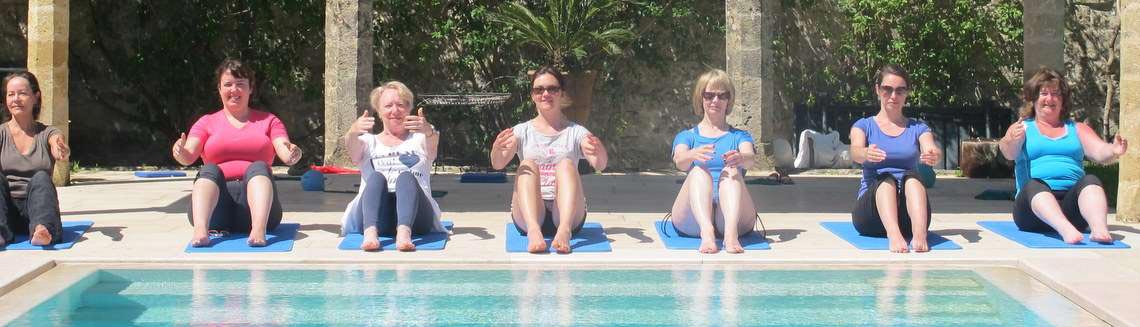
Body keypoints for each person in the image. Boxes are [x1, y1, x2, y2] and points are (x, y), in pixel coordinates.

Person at [172, 59, 301, 247]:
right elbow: (188, 155)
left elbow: (284, 148)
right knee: (209, 170)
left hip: (258, 206)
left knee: (258, 167)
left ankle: (258, 230)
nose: (234, 90)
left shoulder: (269, 121)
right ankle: (201, 230)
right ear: (219, 89)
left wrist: (292, 154)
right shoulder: (206, 122)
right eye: (228, 84)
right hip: (216, 207)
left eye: (240, 84)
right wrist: (180, 151)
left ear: (250, 89)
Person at [998, 67, 1127, 244]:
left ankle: (1099, 229)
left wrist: (1114, 150)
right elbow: (1008, 152)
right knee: (1034, 185)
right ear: (1034, 98)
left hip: (1072, 207)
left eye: (1056, 94)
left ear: (1063, 100)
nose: (1050, 99)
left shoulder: (1077, 129)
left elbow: (1099, 152)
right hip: (1033, 211)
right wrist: (1011, 139)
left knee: (1091, 180)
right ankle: (1065, 229)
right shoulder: (1023, 128)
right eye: (1044, 93)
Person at [491, 66, 608, 254]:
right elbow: (497, 163)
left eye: (552, 89)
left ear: (561, 94)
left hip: (567, 213)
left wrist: (599, 150)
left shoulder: (576, 132)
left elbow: (600, 164)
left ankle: (564, 231)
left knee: (566, 164)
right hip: (529, 214)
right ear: (532, 95)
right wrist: (497, 149)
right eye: (539, 90)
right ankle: (534, 232)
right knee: (527, 164)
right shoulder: (522, 131)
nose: (545, 94)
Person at [339, 81, 445, 251]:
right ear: (379, 112)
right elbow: (352, 151)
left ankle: (404, 234)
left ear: (409, 109)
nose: (394, 111)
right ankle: (370, 234)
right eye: (388, 106)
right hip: (377, 215)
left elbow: (433, 144)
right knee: (376, 178)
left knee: (406, 177)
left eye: (400, 105)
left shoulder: (420, 139)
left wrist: (428, 131)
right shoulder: (367, 141)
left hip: (417, 216)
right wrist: (352, 132)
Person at [850, 64, 940, 253]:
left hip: (908, 215)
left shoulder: (917, 127)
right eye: (887, 89)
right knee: (886, 179)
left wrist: (932, 155)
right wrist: (866, 153)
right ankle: (894, 235)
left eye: (900, 91)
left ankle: (919, 235)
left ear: (907, 94)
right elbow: (855, 152)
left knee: (913, 179)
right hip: (872, 215)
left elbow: (930, 147)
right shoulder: (864, 125)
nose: (893, 96)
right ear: (877, 90)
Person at [668, 69, 758, 254]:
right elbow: (680, 161)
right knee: (698, 171)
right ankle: (707, 232)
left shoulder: (740, 136)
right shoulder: (687, 136)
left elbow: (750, 159)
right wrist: (692, 155)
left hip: (732, 216)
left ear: (728, 100)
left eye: (721, 96)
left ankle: (730, 235)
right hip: (693, 218)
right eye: (709, 95)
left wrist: (741, 158)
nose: (715, 101)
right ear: (701, 99)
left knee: (731, 171)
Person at [0, 71, 67, 246]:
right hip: (5, 213)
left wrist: (60, 149)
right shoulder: (1, 134)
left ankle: (43, 230)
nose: (16, 99)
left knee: (41, 177)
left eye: (22, 93)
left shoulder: (48, 133)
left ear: (36, 97)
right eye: (11, 94)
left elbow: (57, 142)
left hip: (38, 210)